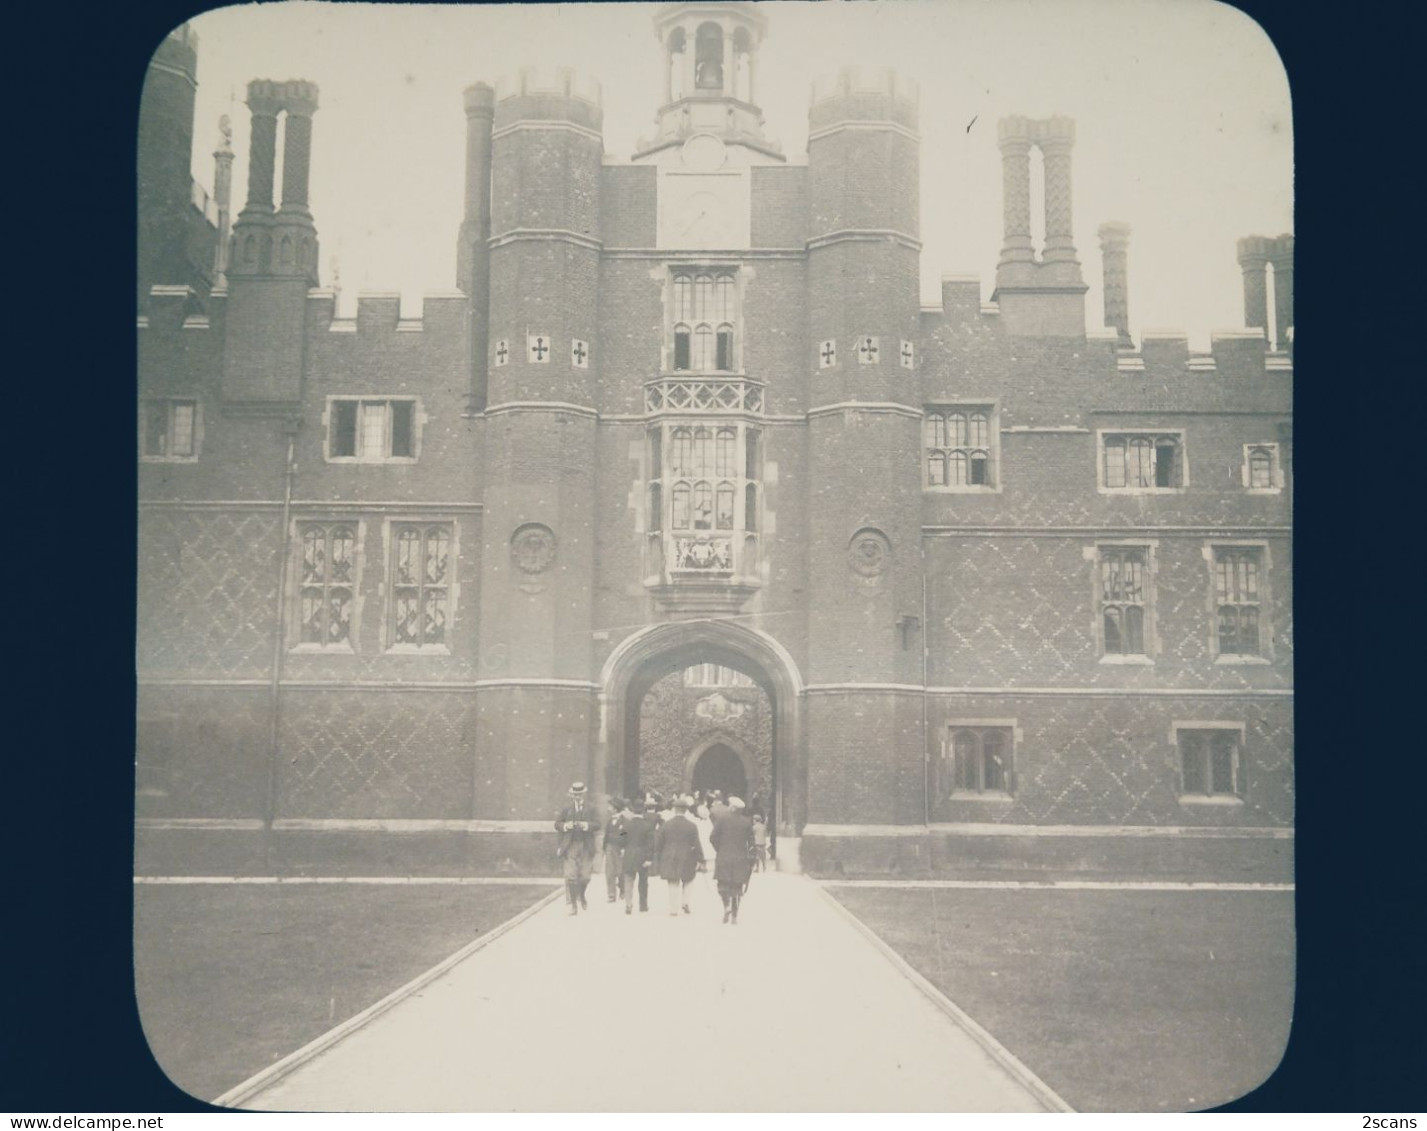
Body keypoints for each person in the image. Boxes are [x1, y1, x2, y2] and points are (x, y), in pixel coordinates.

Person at [554, 781, 600, 915]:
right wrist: (566, 826)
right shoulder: (567, 809)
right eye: (575, 794)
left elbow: (598, 824)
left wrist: (586, 825)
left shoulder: (591, 808)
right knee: (571, 876)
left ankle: (582, 895)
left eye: (579, 794)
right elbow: (557, 824)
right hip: (571, 844)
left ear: (583, 794)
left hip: (586, 845)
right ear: (572, 795)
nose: (577, 797)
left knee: (585, 877)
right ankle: (573, 905)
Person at [653, 795, 703, 916]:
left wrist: (658, 856)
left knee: (673, 882)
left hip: (670, 856)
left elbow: (659, 843)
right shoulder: (692, 826)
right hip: (687, 857)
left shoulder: (666, 825)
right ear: (686, 810)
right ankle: (685, 902)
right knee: (688, 879)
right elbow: (696, 844)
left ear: (674, 809)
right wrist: (700, 859)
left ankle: (674, 909)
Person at [710, 796, 754, 925]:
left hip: (724, 857)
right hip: (740, 859)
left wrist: (719, 849)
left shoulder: (721, 820)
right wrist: (751, 859)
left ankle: (726, 907)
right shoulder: (746, 822)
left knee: (722, 885)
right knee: (737, 887)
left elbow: (712, 838)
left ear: (733, 808)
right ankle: (734, 916)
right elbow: (751, 843)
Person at [621, 798, 658, 914]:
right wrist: (649, 858)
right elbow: (651, 844)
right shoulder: (648, 826)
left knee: (628, 880)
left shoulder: (626, 825)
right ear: (643, 811)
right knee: (643, 881)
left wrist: (623, 849)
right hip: (642, 855)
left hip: (629, 854)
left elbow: (621, 839)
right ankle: (643, 905)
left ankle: (628, 904)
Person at [602, 798, 628, 903]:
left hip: (619, 848)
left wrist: (623, 847)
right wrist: (604, 848)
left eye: (610, 807)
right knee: (609, 872)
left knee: (620, 871)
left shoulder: (624, 821)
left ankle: (622, 889)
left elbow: (625, 835)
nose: (609, 809)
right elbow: (606, 835)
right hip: (609, 847)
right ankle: (611, 894)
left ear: (616, 809)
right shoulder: (609, 821)